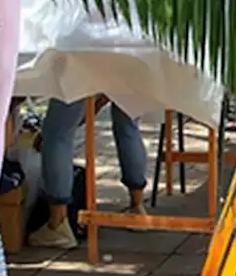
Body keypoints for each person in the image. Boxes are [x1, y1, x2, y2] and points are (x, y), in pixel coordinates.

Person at [27, 97, 148, 249]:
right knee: (129, 126)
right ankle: (137, 208)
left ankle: (57, 223)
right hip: (131, 74)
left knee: (58, 134)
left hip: (82, 74)